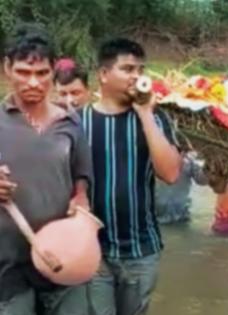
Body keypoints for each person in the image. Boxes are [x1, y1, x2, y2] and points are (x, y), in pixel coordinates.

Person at [79, 38, 182, 315]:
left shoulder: (157, 120)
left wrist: (146, 114)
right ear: (103, 74)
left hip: (141, 250)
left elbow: (170, 173)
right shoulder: (78, 122)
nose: (136, 76)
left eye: (140, 70)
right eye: (127, 69)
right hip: (92, 250)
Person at [0, 25, 92, 314]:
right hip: (8, 266)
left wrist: (81, 199)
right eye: (24, 72)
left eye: (42, 73)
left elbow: (82, 176)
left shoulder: (70, 123)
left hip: (65, 258)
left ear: (53, 71)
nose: (33, 83)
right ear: (6, 69)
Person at [155, 151, 208, 224]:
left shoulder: (188, 161)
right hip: (157, 217)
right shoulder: (153, 157)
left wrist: (208, 167)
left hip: (181, 216)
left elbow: (202, 181)